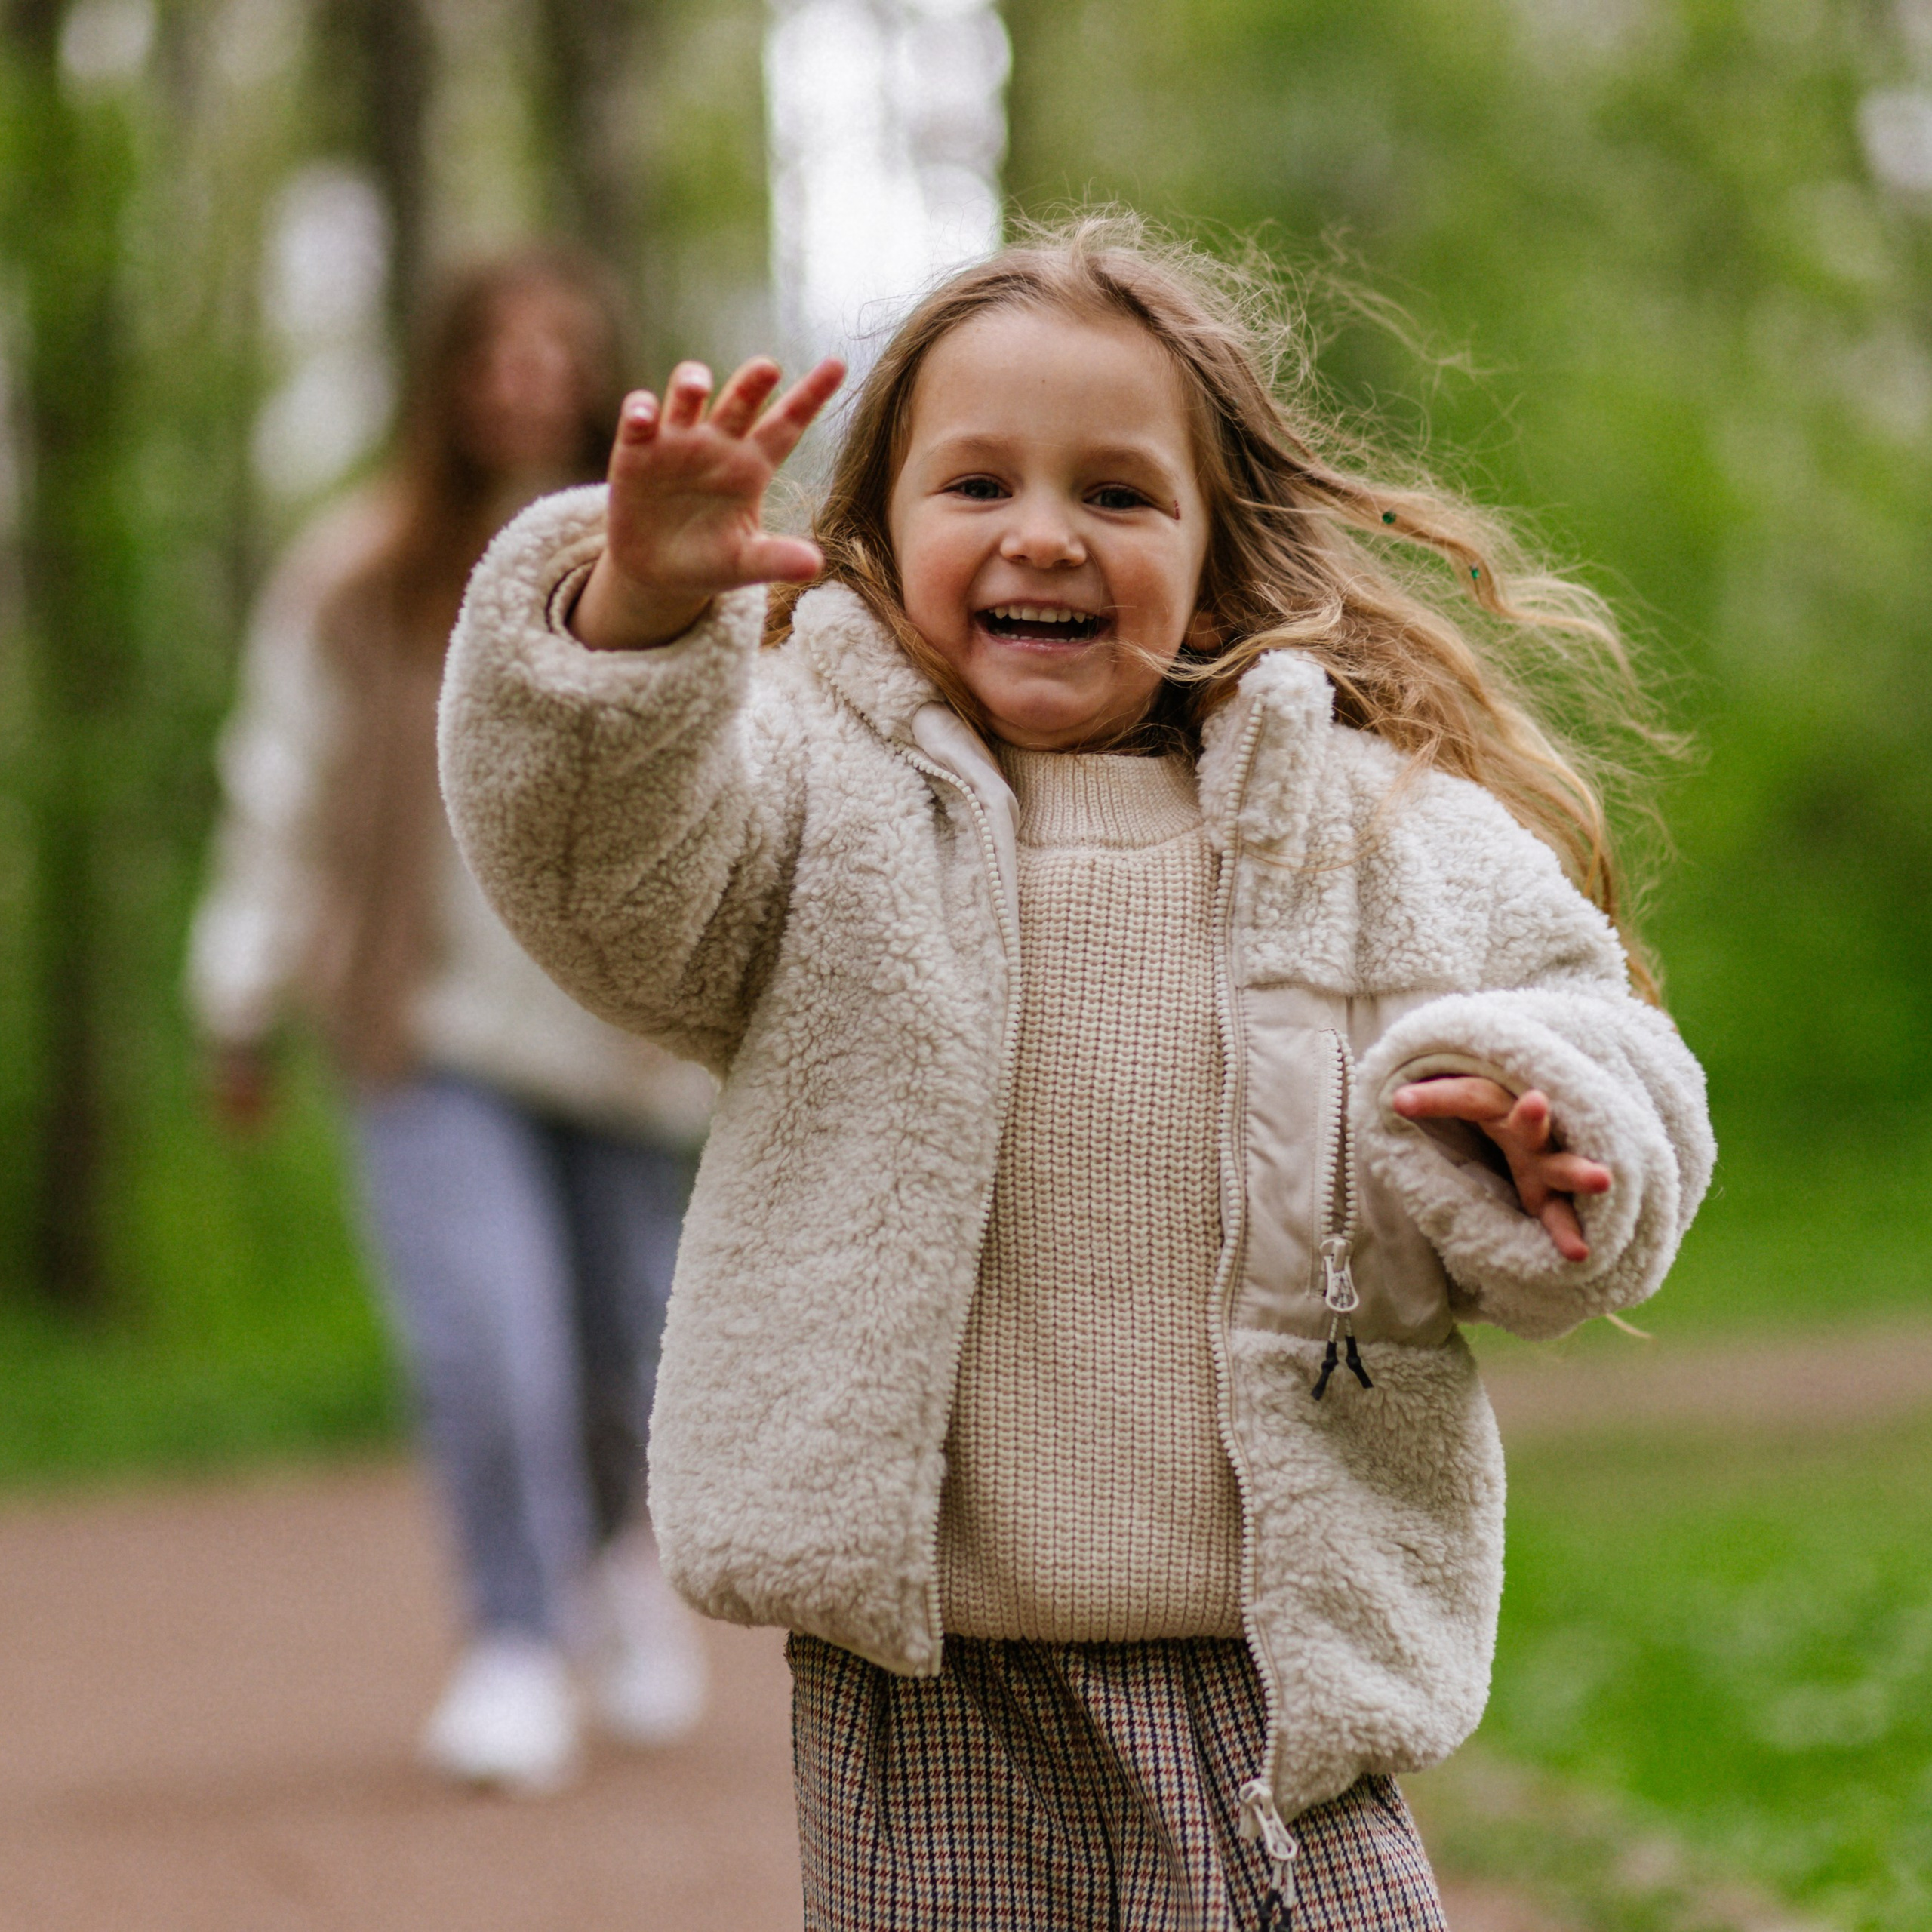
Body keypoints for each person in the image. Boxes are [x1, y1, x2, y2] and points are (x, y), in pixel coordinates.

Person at [438, 215, 1714, 1924]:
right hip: (931, 1682)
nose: (1043, 534)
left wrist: (1557, 1127)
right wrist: (635, 610)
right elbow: (603, 881)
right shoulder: (816, 803)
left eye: (1115, 494)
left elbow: (1605, 1040)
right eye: (978, 485)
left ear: (1212, 543)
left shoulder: (1368, 830)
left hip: (1274, 1682)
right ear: (881, 523)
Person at [189, 248, 714, 1796]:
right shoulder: (355, 571)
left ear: (602, 361)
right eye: (492, 344)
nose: (522, 372)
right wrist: (238, 991)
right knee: (489, 1342)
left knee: (632, 1345)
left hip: (617, 1026)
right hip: (417, 1020)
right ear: (444, 372)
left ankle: (616, 1555)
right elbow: (275, 783)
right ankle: (510, 1636)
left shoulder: (669, 557)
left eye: (556, 343)